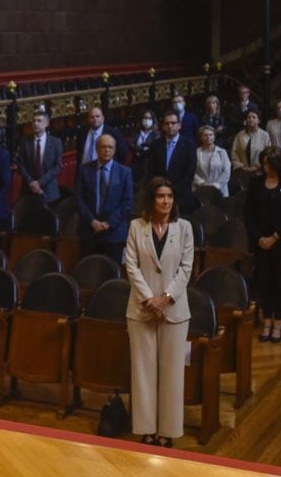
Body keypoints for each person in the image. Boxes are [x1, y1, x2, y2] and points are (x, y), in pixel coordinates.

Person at [124, 177, 194, 448]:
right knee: (143, 372)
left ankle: (167, 430)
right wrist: (149, 299)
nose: (166, 201)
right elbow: (131, 266)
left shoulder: (184, 228)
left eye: (170, 196)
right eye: (160, 196)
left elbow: (186, 267)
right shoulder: (136, 227)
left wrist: (165, 298)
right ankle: (146, 428)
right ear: (151, 199)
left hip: (174, 310)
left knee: (172, 372)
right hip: (141, 309)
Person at [245, 145, 281, 344]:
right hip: (260, 242)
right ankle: (267, 320)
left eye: (270, 164)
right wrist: (259, 238)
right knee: (264, 282)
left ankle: (278, 323)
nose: (266, 168)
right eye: (264, 163)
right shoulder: (256, 183)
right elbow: (248, 213)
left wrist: (275, 237)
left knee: (280, 283)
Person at [75, 134, 133, 265]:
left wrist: (108, 223)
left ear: (114, 149)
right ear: (96, 148)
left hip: (114, 233)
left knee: (112, 275)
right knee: (88, 273)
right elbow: (79, 199)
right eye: (103, 147)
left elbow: (127, 203)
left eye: (110, 147)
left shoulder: (125, 172)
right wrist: (92, 221)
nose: (107, 150)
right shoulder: (84, 170)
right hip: (89, 232)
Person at [147, 110, 198, 214]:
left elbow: (189, 175)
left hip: (181, 198)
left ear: (179, 125)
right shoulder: (155, 145)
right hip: (159, 196)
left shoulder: (189, 145)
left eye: (173, 123)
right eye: (167, 123)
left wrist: (171, 191)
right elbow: (151, 171)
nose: (170, 126)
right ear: (163, 126)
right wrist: (161, 190)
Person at [16, 110, 63, 205]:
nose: (35, 123)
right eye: (33, 121)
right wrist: (31, 182)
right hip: (28, 191)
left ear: (47, 123)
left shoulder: (56, 143)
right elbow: (20, 165)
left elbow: (57, 166)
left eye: (39, 121)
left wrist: (39, 183)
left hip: (49, 192)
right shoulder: (25, 142)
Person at [231, 109, 272, 177]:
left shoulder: (265, 135)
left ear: (259, 120)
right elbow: (234, 153)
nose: (251, 119)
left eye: (254, 117)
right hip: (243, 172)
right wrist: (241, 166)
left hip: (260, 172)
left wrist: (258, 167)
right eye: (248, 117)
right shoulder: (239, 135)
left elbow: (268, 153)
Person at [193, 126, 231, 198]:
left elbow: (226, 172)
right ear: (200, 137)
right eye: (205, 135)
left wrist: (215, 185)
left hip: (219, 190)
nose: (208, 137)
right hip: (200, 189)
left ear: (214, 137)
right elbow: (192, 171)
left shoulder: (222, 152)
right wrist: (202, 184)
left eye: (211, 135)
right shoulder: (195, 152)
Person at [131, 109, 159, 184]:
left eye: (149, 118)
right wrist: (143, 148)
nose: (147, 120)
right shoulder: (136, 133)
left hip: (149, 166)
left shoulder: (155, 134)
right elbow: (131, 145)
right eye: (145, 118)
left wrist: (139, 148)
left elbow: (153, 148)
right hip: (136, 164)